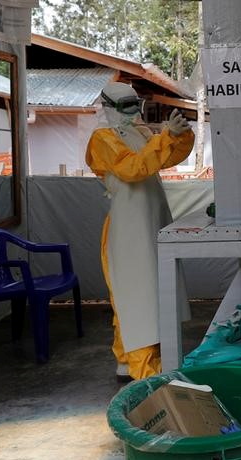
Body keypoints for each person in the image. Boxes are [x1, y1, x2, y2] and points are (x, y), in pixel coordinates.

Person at [86, 82, 195, 381]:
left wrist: (178, 135)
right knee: (136, 295)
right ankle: (142, 367)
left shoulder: (142, 133)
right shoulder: (102, 139)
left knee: (153, 290)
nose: (133, 112)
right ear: (108, 107)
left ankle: (126, 359)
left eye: (136, 104)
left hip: (152, 220)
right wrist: (162, 140)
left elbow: (169, 158)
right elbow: (131, 169)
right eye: (127, 106)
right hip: (129, 228)